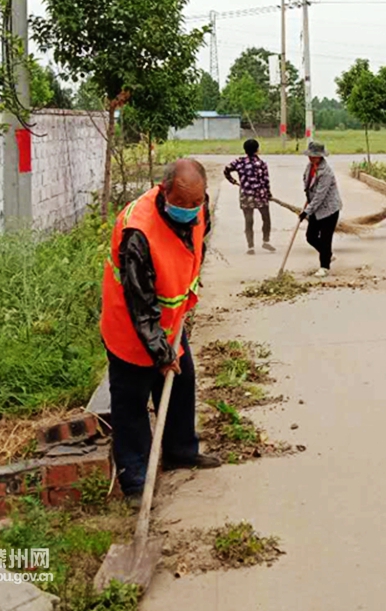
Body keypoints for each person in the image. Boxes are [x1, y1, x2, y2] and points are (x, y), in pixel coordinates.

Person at [100, 159, 221, 509]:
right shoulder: (137, 231)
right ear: (163, 189)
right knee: (131, 404)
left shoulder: (199, 206)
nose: (189, 211)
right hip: (131, 328)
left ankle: (181, 451)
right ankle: (136, 480)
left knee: (182, 386)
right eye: (181, 204)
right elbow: (141, 305)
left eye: (194, 204)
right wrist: (162, 354)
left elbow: (198, 240)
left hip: (169, 321)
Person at [224, 139, 275, 255]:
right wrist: (269, 194)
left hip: (246, 195)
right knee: (266, 219)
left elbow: (226, 170)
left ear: (245, 150)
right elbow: (266, 181)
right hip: (261, 195)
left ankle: (250, 247)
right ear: (257, 150)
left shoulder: (239, 162)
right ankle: (266, 241)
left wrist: (233, 181)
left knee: (249, 220)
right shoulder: (261, 164)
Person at [299, 141, 343, 278]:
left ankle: (324, 267)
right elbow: (308, 185)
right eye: (310, 155)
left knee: (325, 239)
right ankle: (328, 254)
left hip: (329, 209)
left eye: (315, 156)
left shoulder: (326, 172)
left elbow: (320, 195)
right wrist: (307, 199)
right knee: (310, 236)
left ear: (320, 156)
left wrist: (307, 212)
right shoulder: (310, 166)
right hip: (315, 208)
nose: (311, 158)